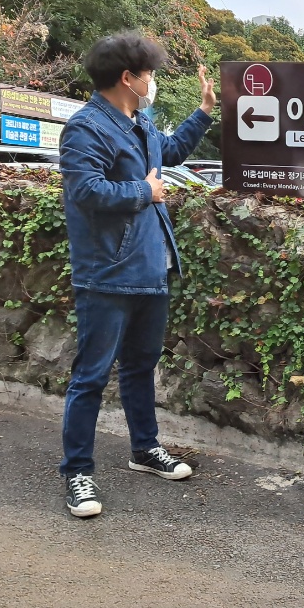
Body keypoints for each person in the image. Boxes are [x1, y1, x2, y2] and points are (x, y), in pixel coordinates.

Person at [57, 32, 216, 518]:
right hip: (106, 272)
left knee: (141, 365)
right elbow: (86, 191)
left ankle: (144, 449)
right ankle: (77, 471)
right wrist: (144, 192)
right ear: (128, 78)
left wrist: (204, 111)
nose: (152, 81)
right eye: (149, 74)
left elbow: (170, 153)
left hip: (151, 267)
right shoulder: (85, 128)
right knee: (91, 376)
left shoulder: (139, 122)